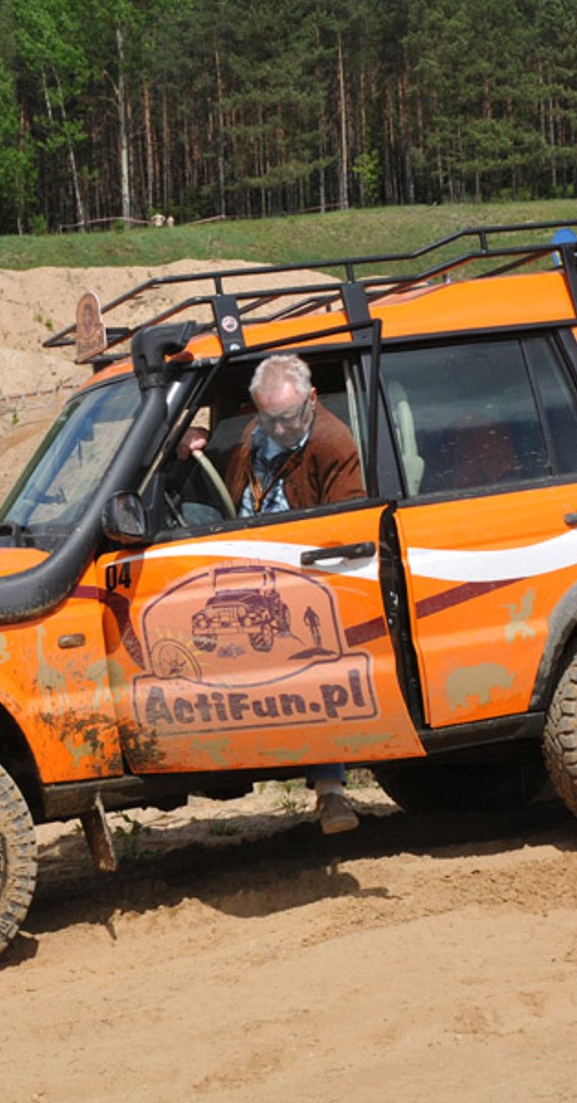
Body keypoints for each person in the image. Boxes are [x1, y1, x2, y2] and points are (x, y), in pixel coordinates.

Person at [182, 352, 366, 834]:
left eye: (287, 418)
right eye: (269, 419)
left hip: (298, 573)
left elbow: (345, 525)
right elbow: (221, 466)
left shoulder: (333, 445)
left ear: (312, 399)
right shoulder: (251, 433)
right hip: (239, 563)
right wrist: (192, 441)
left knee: (311, 668)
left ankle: (331, 790)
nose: (279, 429)